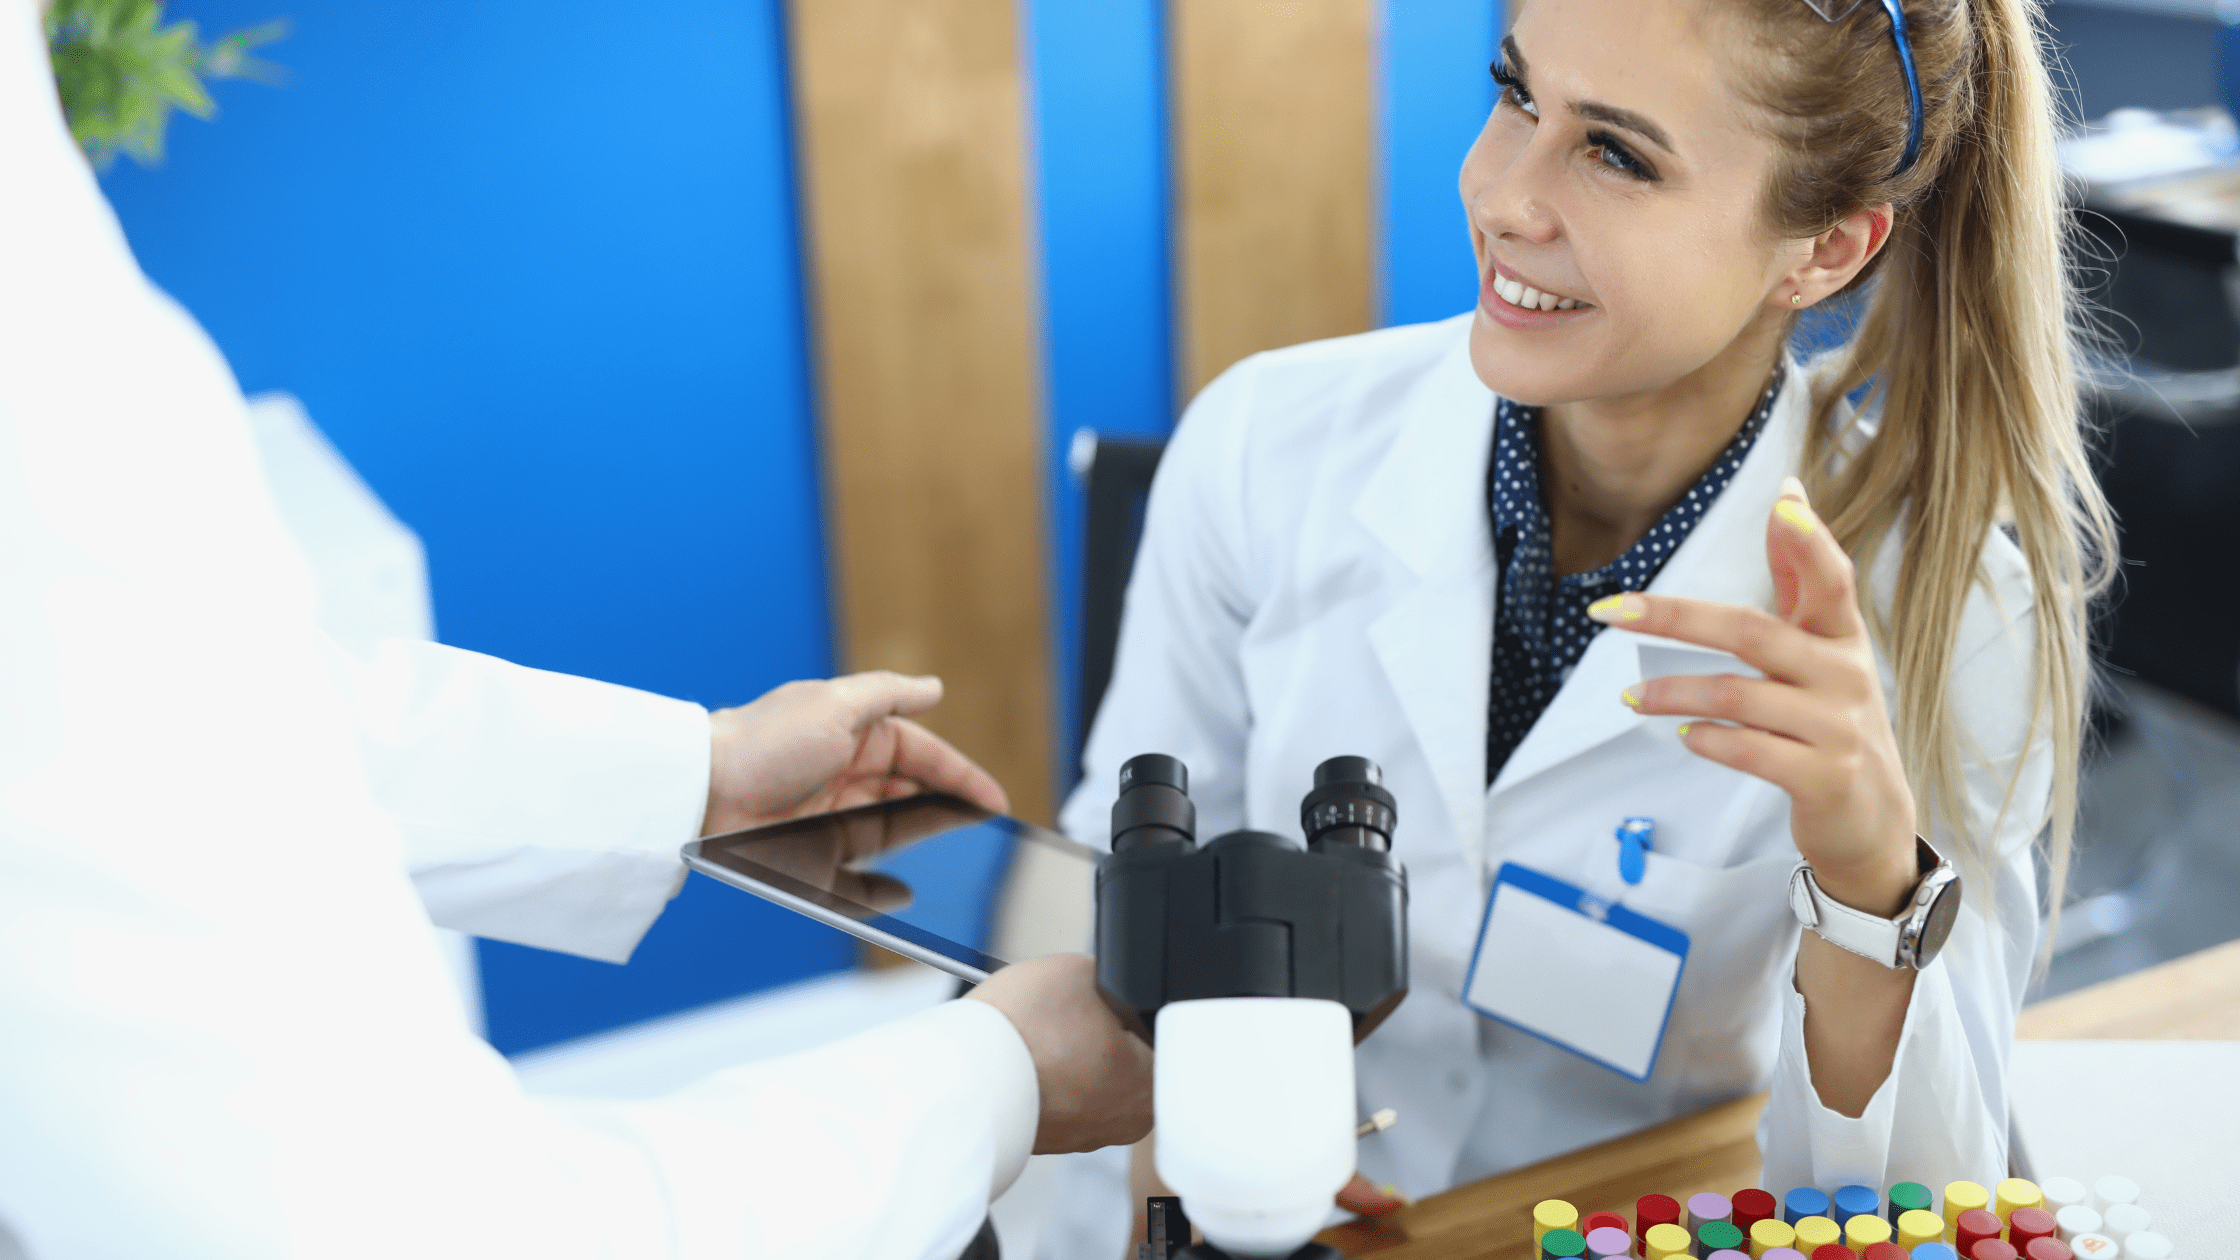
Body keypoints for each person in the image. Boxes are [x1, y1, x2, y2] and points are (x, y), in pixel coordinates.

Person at [0, 4, 1150, 1256]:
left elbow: (176, 722)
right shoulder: (54, 379)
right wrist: (997, 1079)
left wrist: (691, 771)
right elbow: (397, 1230)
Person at [1043, 0, 2114, 1252]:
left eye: (1614, 153)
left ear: (1820, 252)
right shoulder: (1263, 442)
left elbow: (1922, 1208)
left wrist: (1870, 886)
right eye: (1515, 93)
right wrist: (1193, 1097)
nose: (1501, 193)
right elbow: (1113, 883)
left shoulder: (1953, 618)